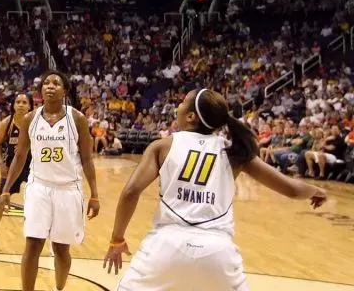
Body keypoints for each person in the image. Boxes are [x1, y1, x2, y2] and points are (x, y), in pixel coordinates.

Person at [104, 88, 327, 290]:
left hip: (165, 246)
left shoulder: (163, 145)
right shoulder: (234, 151)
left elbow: (131, 191)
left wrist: (117, 239)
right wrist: (317, 190)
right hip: (218, 253)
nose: (178, 106)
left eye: (182, 103)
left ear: (191, 117)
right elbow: (293, 190)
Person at [1, 71, 100, 291]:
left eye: (56, 83)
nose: (50, 86)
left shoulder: (77, 119)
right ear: (41, 90)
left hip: (68, 189)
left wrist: (94, 194)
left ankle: (58, 289)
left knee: (61, 248)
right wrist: (6, 189)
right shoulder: (30, 119)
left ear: (65, 90)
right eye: (46, 83)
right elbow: (20, 156)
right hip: (39, 186)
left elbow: (86, 157)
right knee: (33, 244)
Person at [0, 93, 32, 254]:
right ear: (13, 105)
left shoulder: (36, 122)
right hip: (11, 166)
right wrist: (1, 163)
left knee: (39, 204)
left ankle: (50, 241)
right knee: (0, 201)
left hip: (33, 166)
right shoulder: (7, 122)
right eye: (18, 102)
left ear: (30, 106)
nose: (21, 105)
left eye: (25, 102)